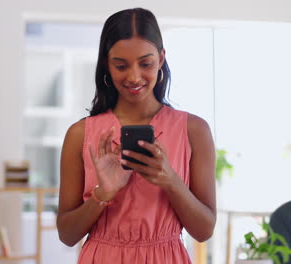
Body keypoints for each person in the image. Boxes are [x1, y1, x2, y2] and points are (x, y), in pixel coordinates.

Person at [56, 7, 216, 264]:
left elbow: (204, 230)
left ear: (161, 59)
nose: (134, 76)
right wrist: (103, 193)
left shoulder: (194, 130)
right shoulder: (79, 134)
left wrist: (171, 181)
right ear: (106, 64)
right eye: (121, 65)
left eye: (146, 63)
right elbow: (67, 234)